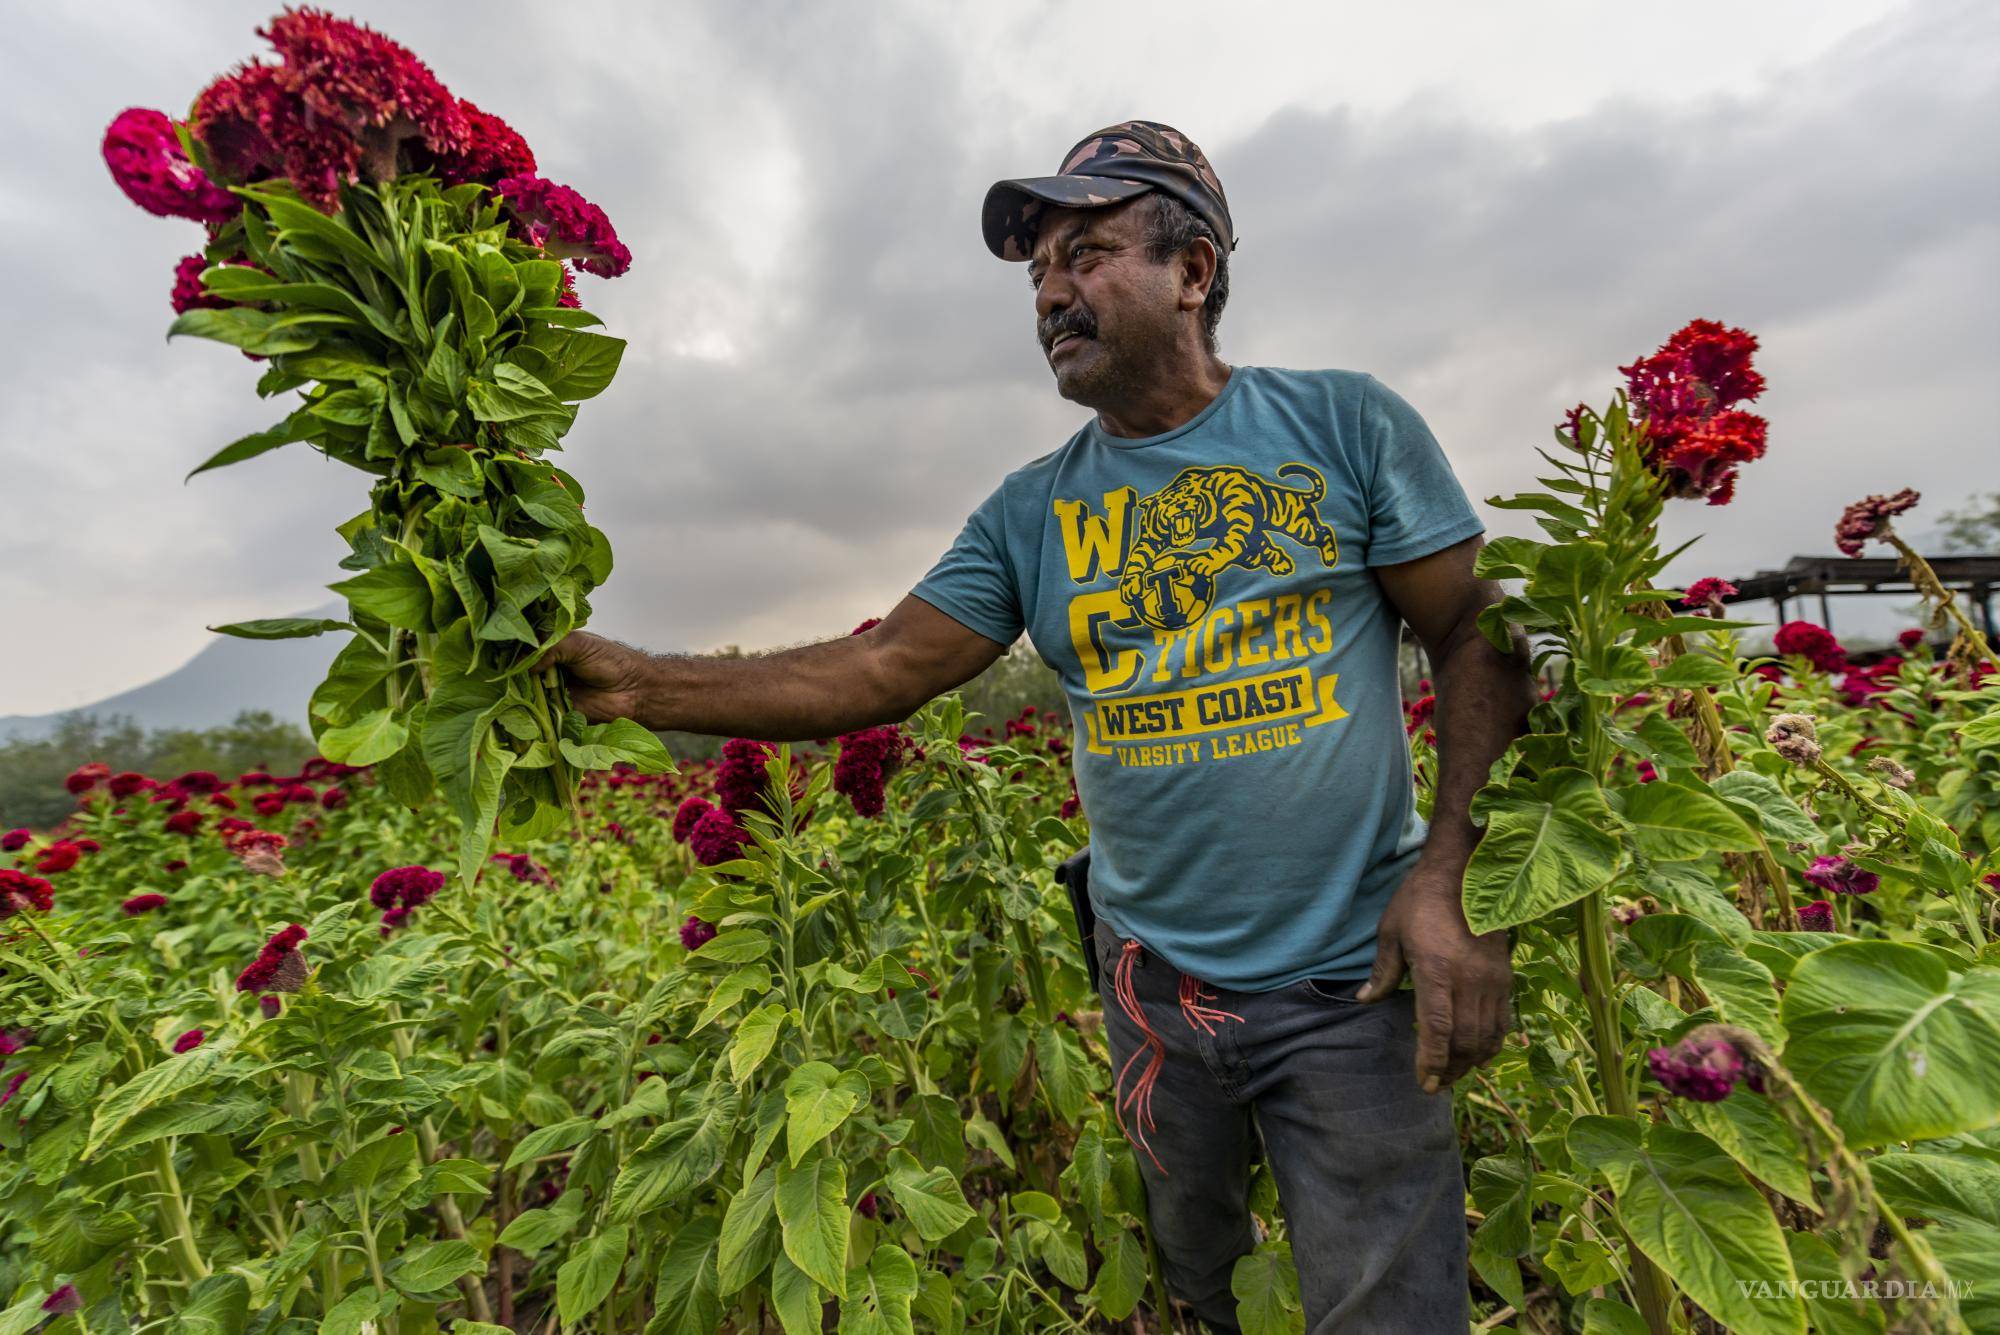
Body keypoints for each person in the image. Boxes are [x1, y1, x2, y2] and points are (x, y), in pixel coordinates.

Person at [544, 119, 1534, 1334]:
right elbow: (881, 668)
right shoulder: (1033, 510)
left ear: (1192, 271)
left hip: (1348, 984)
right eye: (1037, 274)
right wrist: (639, 686)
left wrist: (1453, 882)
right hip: (1152, 992)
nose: (1051, 294)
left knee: (1387, 1311)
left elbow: (1473, 635)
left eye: (1087, 255)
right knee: (1201, 1287)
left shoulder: (1341, 426)